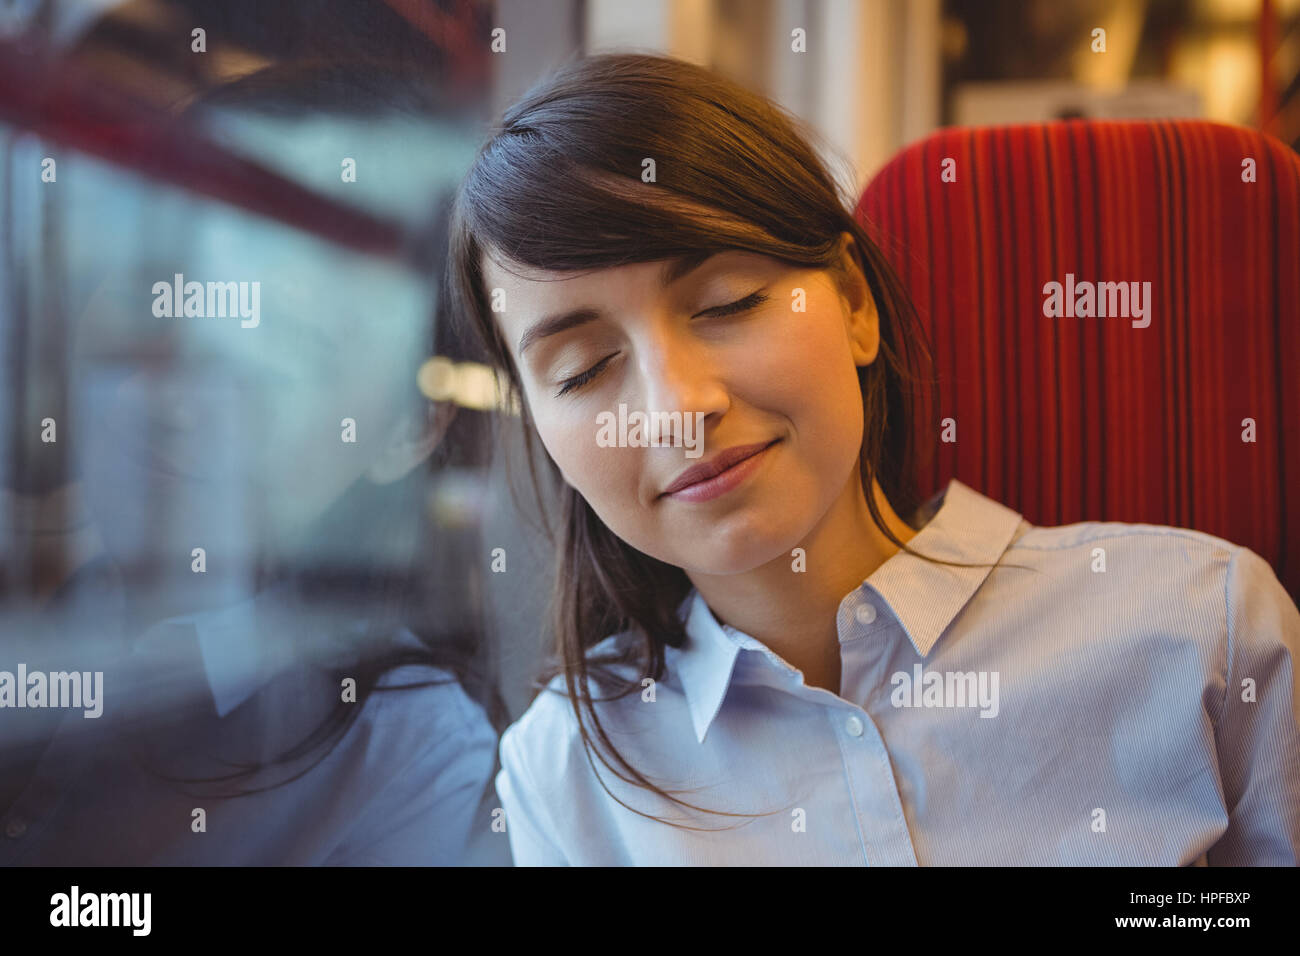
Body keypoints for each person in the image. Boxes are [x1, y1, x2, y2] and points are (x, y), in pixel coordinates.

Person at [444, 52, 1300, 865]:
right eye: (584, 370)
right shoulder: (562, 771)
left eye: (727, 302)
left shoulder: (1203, 631)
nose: (676, 410)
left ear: (854, 302)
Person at [0, 61, 505, 865]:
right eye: (156, 295)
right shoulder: (42, 611)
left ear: (408, 430)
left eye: (283, 347)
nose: (179, 391)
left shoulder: (412, 755)